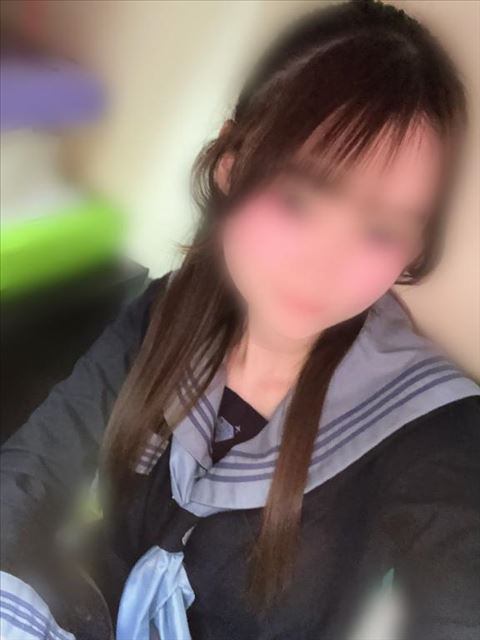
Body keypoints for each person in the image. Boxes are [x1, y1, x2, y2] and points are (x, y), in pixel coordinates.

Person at [1, 1, 479, 639]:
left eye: (381, 230)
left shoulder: (430, 427)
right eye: (299, 198)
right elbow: (34, 468)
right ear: (232, 165)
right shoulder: (173, 310)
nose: (324, 263)